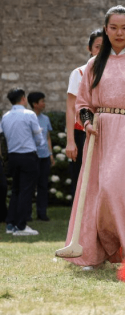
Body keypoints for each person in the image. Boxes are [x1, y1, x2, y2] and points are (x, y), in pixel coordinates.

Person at [63, 5, 125, 269]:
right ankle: (92, 251)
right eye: (114, 28)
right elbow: (83, 103)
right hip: (100, 132)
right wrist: (86, 122)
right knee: (97, 189)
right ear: (106, 30)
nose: (119, 32)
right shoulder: (94, 64)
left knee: (115, 188)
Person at [65, 29, 103, 200]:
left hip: (106, 131)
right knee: (81, 179)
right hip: (82, 131)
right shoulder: (79, 73)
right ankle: (79, 222)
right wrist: (70, 142)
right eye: (97, 47)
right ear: (89, 49)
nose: (101, 51)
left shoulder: (115, 73)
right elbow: (71, 108)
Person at [2, 88, 45, 236]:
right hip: (28, 156)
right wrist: (40, 146)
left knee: (15, 190)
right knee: (26, 191)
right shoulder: (29, 114)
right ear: (23, 99)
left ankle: (10, 224)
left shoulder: (5, 116)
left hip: (13, 156)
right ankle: (21, 226)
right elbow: (39, 137)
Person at [27, 92, 55, 221]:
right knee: (30, 186)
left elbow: (47, 137)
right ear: (35, 104)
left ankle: (42, 213)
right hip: (32, 156)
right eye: (42, 101)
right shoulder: (27, 118)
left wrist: (50, 154)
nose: (44, 103)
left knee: (43, 185)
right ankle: (27, 214)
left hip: (44, 157)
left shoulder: (46, 119)